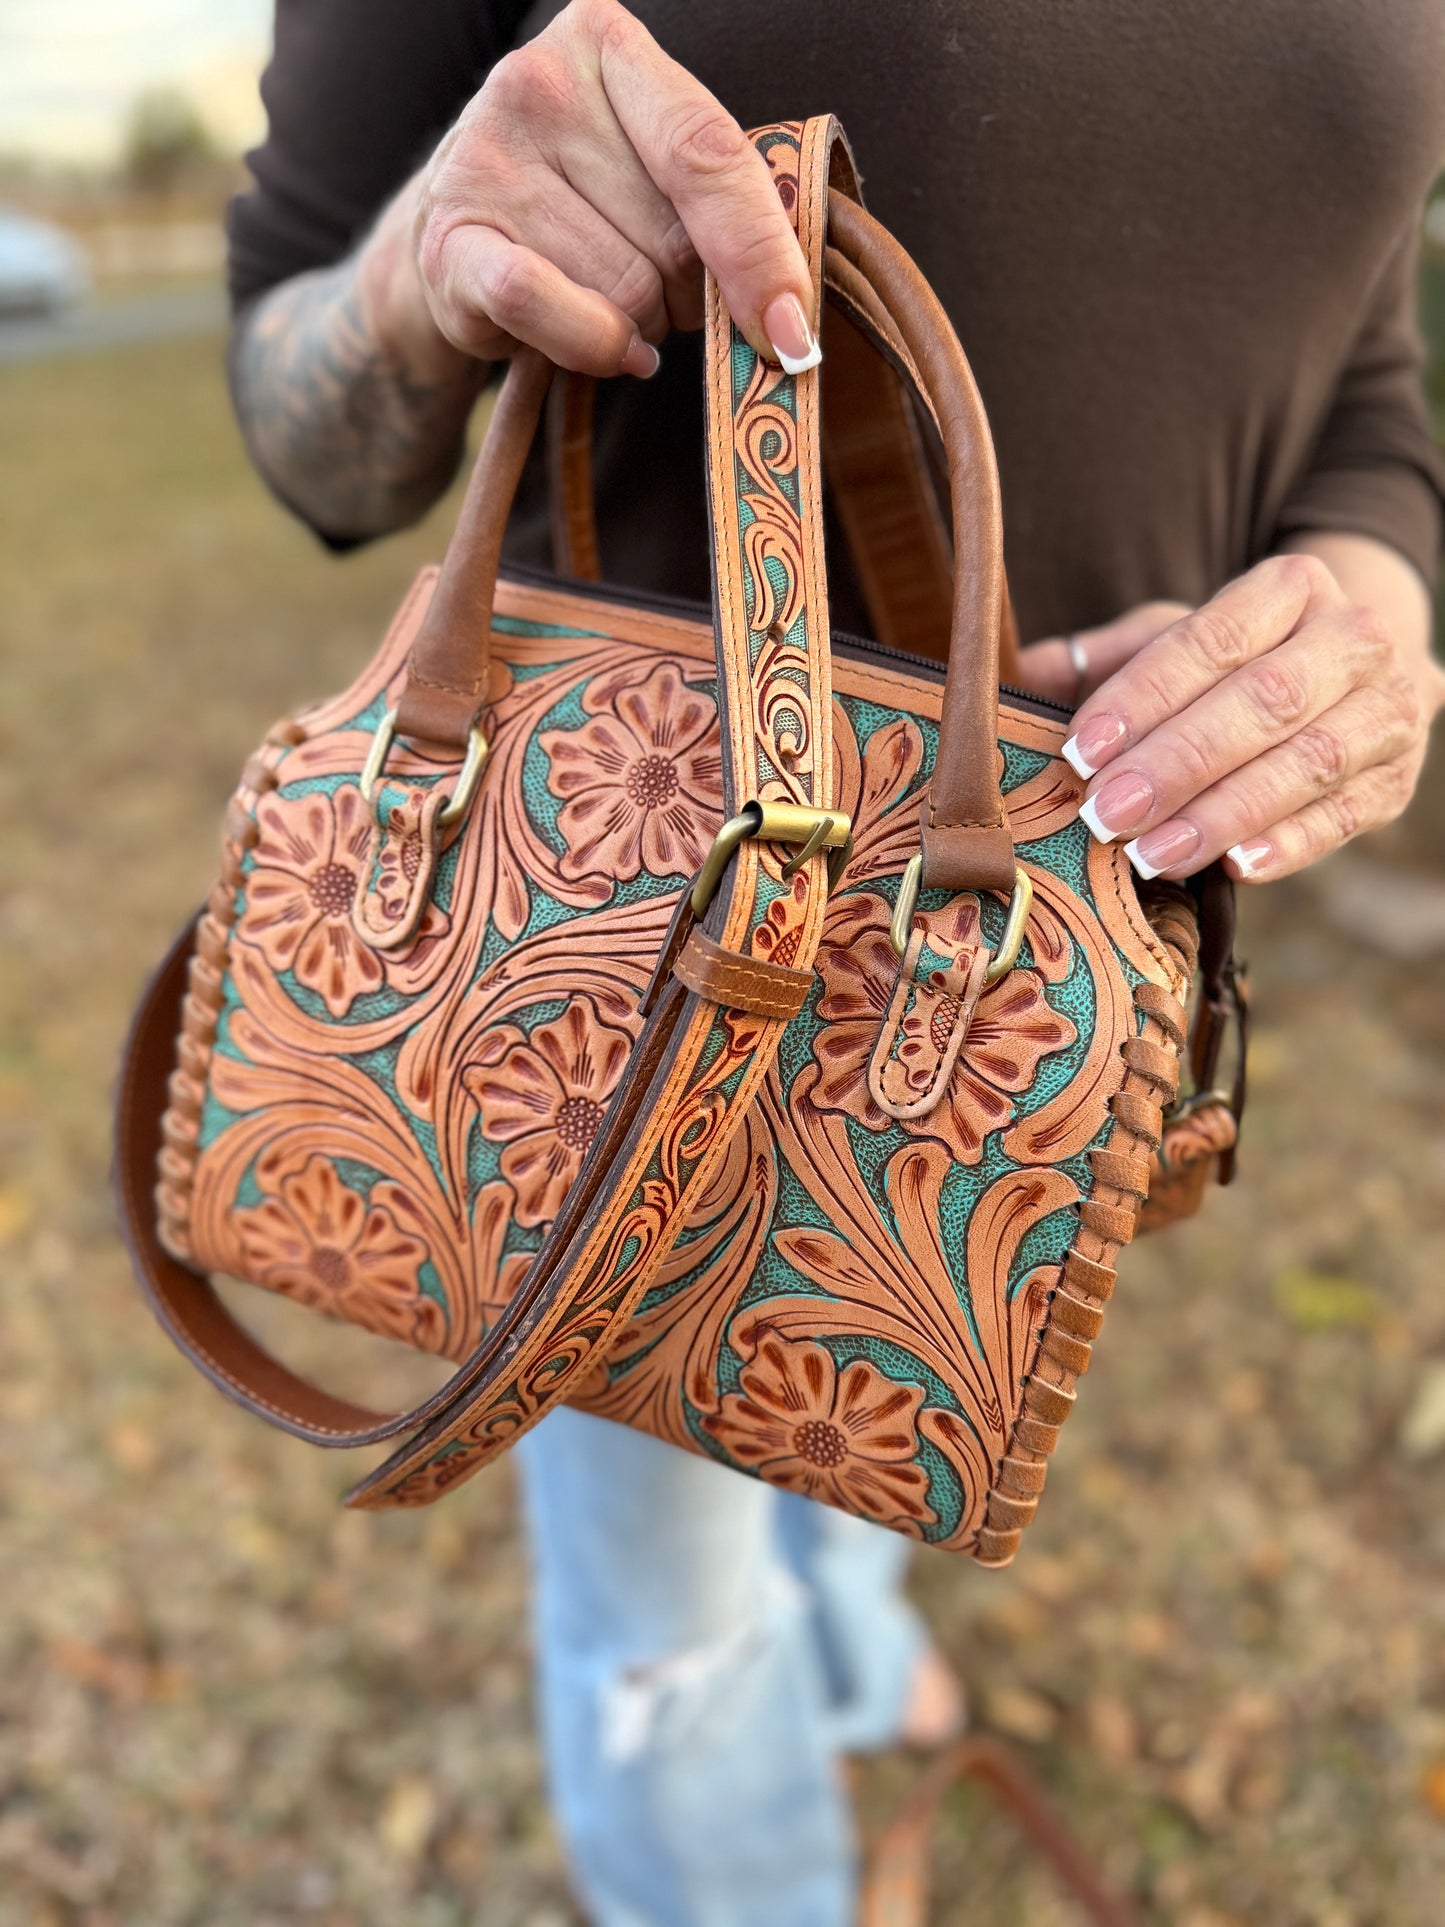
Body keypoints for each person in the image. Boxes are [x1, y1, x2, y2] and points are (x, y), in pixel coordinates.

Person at [225, 4, 1445, 1919]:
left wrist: (1378, 595)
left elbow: (1354, 363)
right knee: (672, 1602)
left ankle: (854, 1655)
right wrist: (409, 272)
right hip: (609, 934)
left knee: (852, 1392)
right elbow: (295, 406)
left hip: (1014, 950)